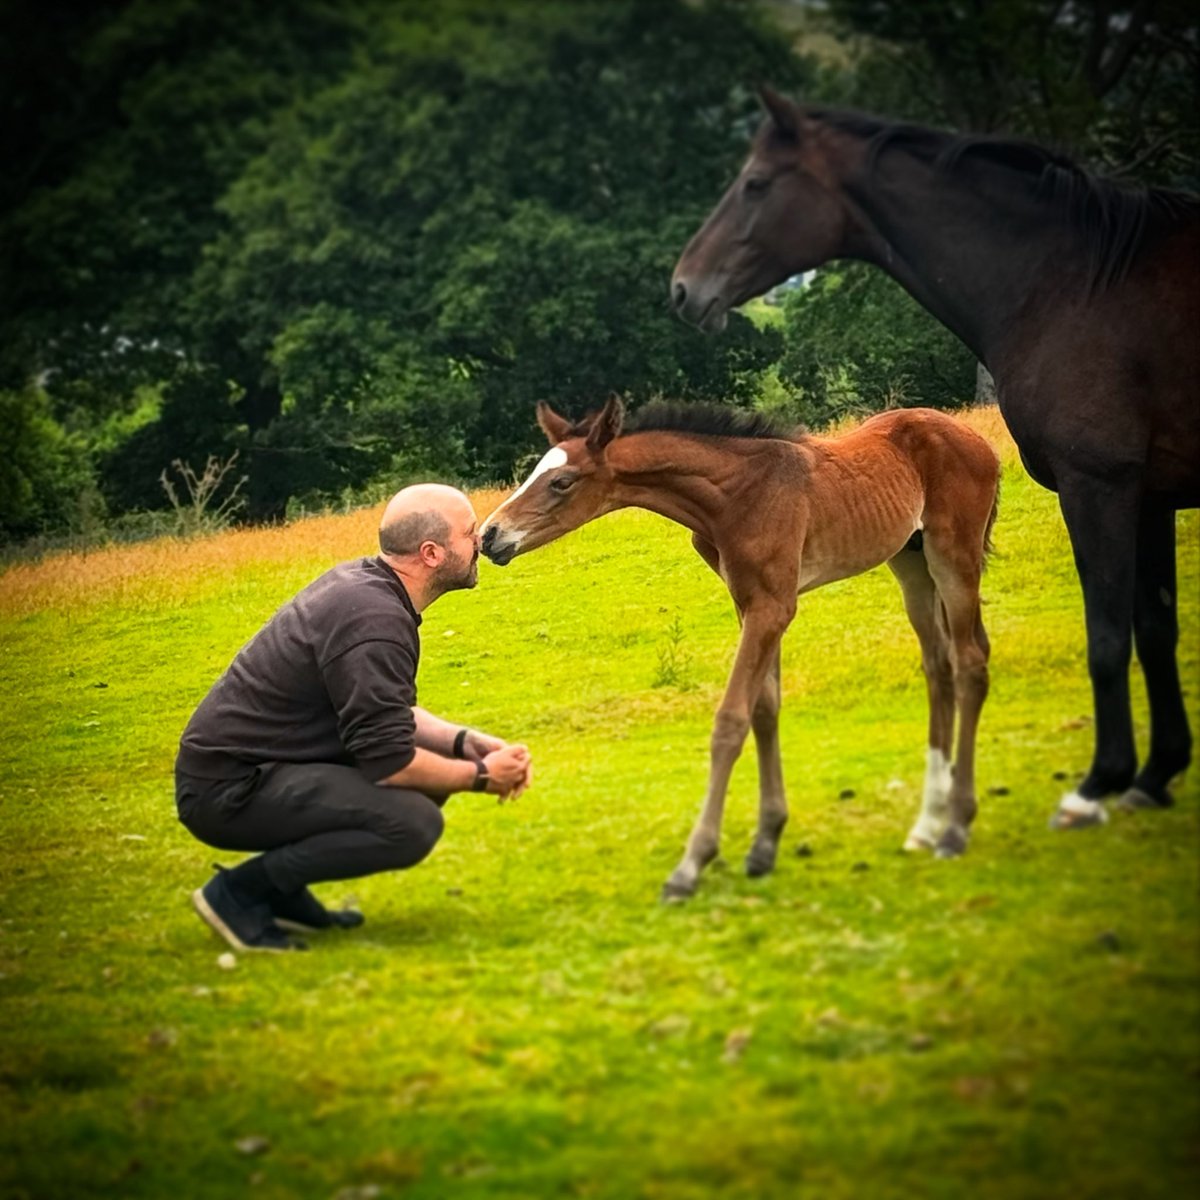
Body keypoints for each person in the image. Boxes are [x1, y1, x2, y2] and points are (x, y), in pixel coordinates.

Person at [174, 483, 533, 952]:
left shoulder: (369, 589)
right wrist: (484, 777)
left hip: (270, 766)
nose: (480, 542)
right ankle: (241, 892)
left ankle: (280, 893)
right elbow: (389, 759)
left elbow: (388, 713)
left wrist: (466, 742)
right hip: (230, 788)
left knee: (430, 774)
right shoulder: (374, 622)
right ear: (431, 553)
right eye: (469, 533)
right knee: (413, 823)